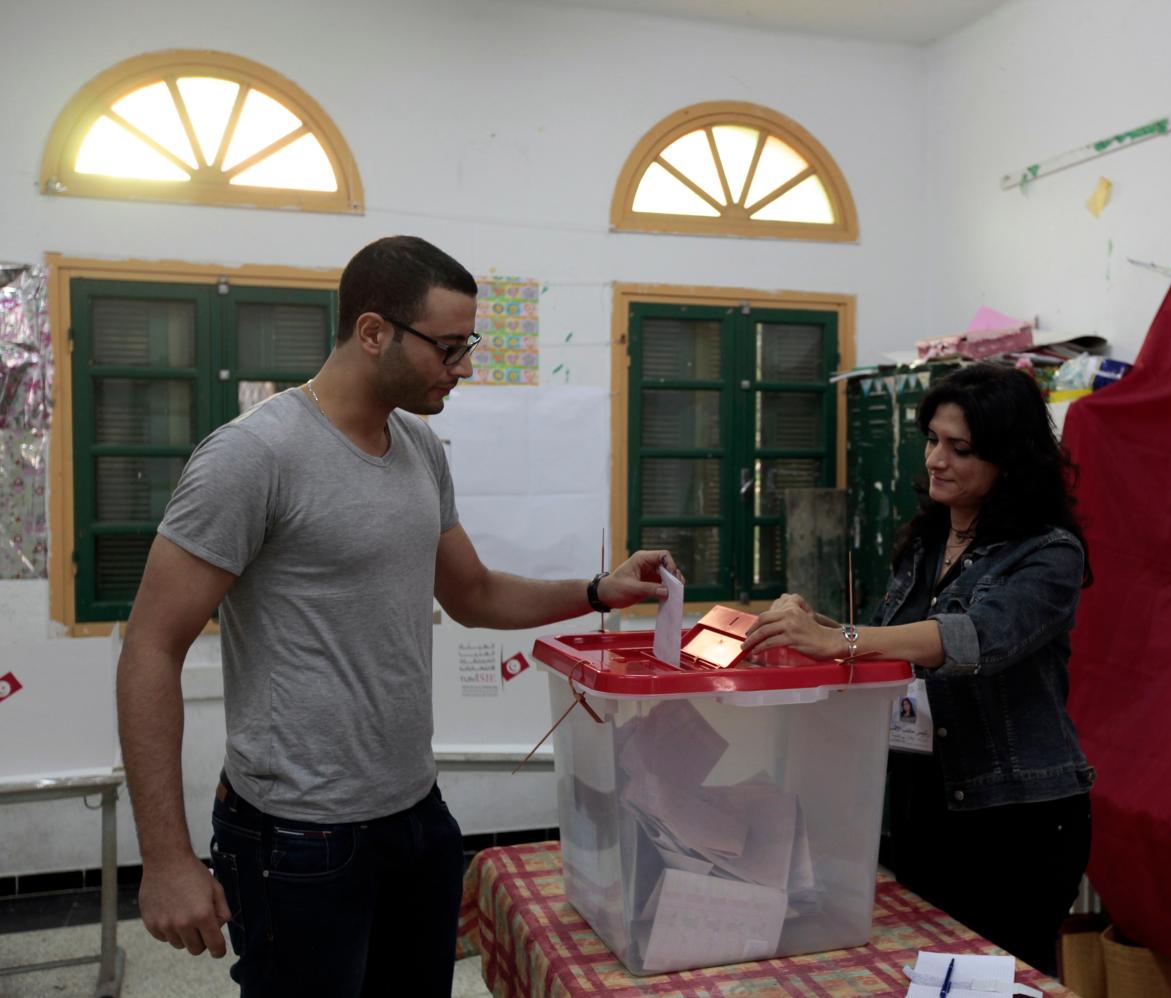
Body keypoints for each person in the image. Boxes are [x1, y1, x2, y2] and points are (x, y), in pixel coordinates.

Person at [116, 235, 680, 997]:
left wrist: (594, 590)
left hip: (415, 815)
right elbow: (150, 646)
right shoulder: (253, 457)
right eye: (448, 348)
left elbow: (473, 594)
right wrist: (164, 858)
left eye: (467, 345)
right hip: (296, 838)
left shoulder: (419, 446)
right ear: (374, 332)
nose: (465, 367)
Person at [742, 364, 1093, 975]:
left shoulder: (1048, 553)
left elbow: (972, 637)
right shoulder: (928, 542)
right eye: (932, 439)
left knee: (998, 978)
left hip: (1014, 820)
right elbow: (891, 645)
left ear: (1010, 459)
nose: (936, 460)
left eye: (960, 448)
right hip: (924, 805)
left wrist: (838, 641)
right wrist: (815, 625)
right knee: (927, 971)